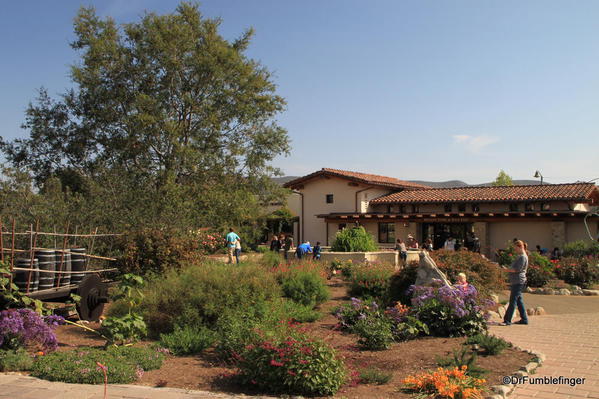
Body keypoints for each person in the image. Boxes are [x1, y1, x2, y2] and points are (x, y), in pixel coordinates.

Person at [502, 239, 529, 326]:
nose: (515, 250)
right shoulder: (521, 256)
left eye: (516, 248)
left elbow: (516, 270)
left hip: (518, 281)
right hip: (517, 281)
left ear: (520, 247)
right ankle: (524, 319)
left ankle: (507, 320)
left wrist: (506, 269)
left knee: (513, 300)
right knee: (519, 301)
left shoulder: (522, 257)